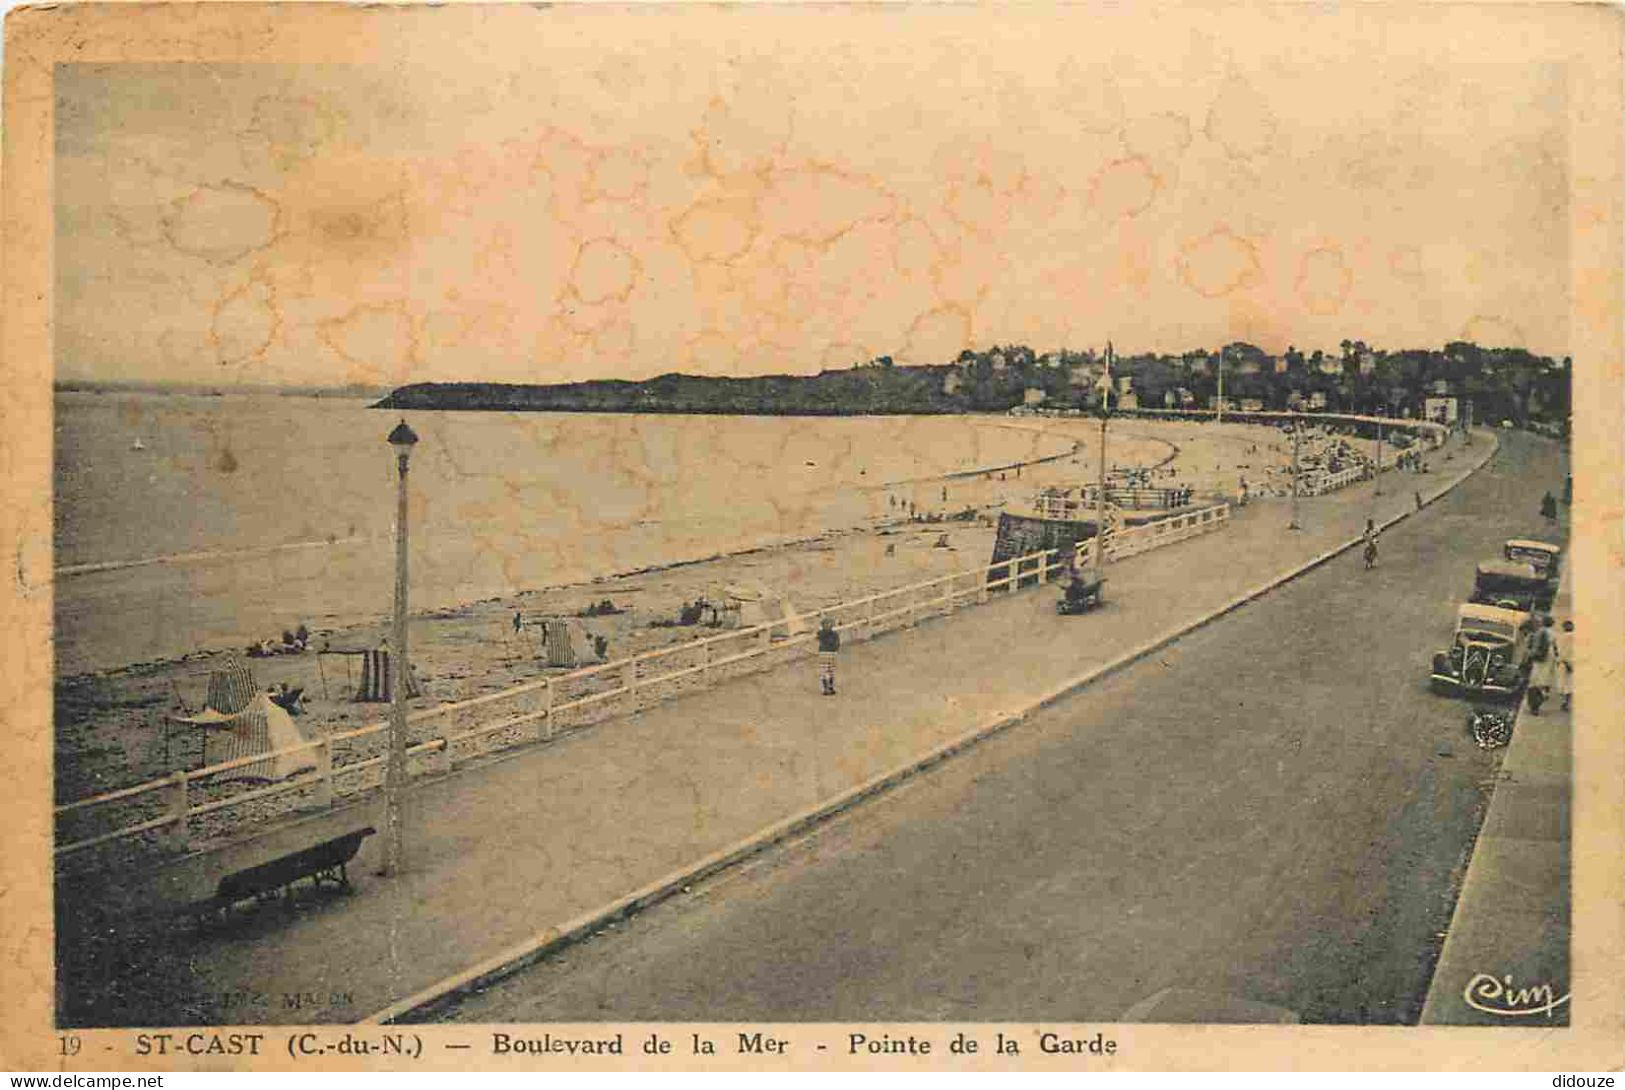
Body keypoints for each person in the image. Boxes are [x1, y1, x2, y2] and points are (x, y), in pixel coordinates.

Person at [1526, 615, 1555, 715]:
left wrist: (1531, 655)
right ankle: (1536, 704)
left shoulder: (1540, 633)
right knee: (1540, 683)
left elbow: (1535, 648)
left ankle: (1534, 706)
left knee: (1534, 684)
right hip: (1545, 660)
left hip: (1539, 660)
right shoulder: (1549, 633)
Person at [816, 617, 840, 696]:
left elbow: (818, 636)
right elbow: (837, 644)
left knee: (824, 671)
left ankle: (825, 688)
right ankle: (831, 687)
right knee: (831, 671)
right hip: (832, 654)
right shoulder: (835, 634)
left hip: (823, 653)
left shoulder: (821, 633)